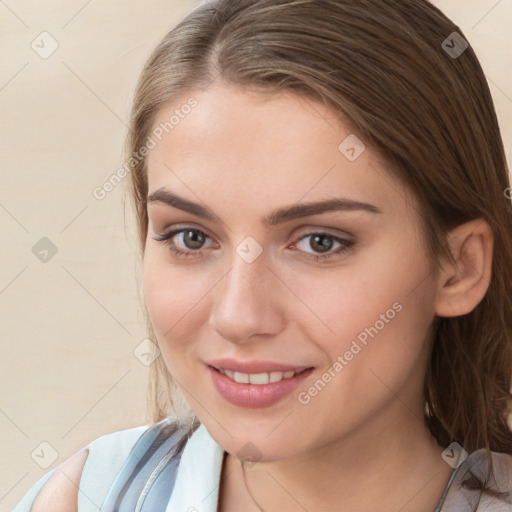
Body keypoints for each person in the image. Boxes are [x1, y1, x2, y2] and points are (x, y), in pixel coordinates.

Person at [14, 0, 512, 510]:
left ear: (459, 268)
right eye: (190, 237)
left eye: (320, 242)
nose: (238, 317)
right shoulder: (83, 498)